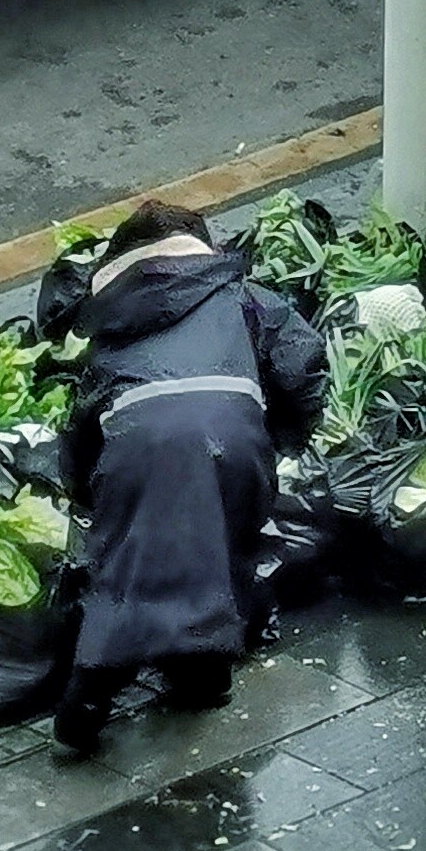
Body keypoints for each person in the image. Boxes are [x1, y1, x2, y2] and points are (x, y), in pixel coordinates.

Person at [51, 201, 329, 761]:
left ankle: (96, 682)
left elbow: (84, 418)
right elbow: (301, 364)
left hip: (135, 437)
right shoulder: (244, 297)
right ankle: (203, 669)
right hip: (234, 432)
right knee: (223, 551)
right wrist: (284, 433)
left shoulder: (112, 314)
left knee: (124, 562)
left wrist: (81, 486)